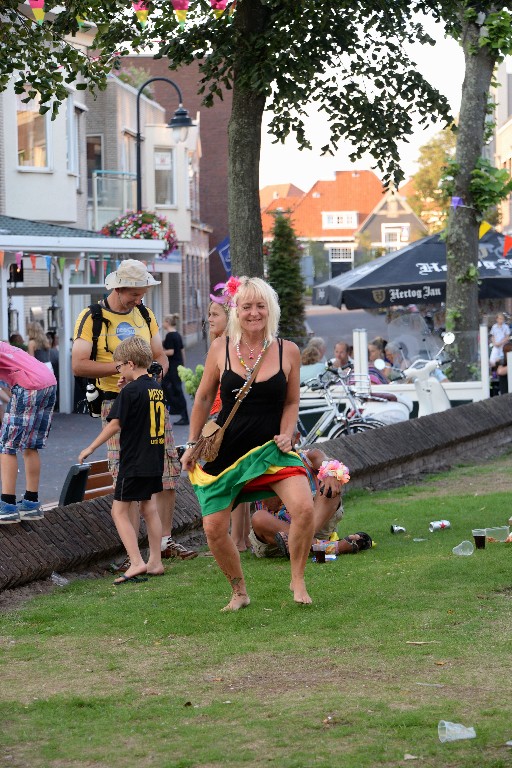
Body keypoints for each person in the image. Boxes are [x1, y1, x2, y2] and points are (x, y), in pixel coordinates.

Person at [181, 276, 316, 609]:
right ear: (235, 311)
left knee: (304, 508)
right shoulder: (220, 348)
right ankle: (239, 592)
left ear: (271, 310)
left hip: (272, 449)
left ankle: (297, 580)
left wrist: (287, 433)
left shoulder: (289, 351)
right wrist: (191, 443)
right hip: (226, 452)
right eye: (246, 307)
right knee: (213, 528)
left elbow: (291, 402)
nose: (254, 313)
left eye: (261, 306)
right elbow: (202, 399)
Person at [72, 259, 195, 564]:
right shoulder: (92, 317)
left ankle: (164, 542)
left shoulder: (144, 313)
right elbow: (78, 364)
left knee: (166, 470)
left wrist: (155, 373)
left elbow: (160, 357)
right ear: (119, 288)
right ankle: (134, 553)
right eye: (135, 294)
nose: (140, 299)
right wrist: (123, 368)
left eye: (143, 294)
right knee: (125, 475)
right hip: (115, 399)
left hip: (150, 399)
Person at [78, 337, 165, 584]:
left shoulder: (129, 391)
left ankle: (136, 562)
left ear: (129, 363)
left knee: (119, 511)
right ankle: (155, 562)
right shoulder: (155, 387)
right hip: (154, 458)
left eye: (119, 367)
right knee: (149, 507)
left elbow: (115, 423)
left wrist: (91, 447)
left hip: (134, 460)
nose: (119, 371)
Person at [207, 287, 251, 552]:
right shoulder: (240, 345)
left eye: (214, 314)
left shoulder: (221, 346)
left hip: (223, 417)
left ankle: (233, 538)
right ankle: (240, 538)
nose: (210, 320)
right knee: (240, 479)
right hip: (237, 416)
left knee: (226, 480)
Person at [0, 341, 57, 523]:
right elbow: (6, 388)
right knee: (30, 445)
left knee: (7, 446)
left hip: (28, 385)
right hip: (48, 382)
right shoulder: (5, 347)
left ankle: (7, 505)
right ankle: (31, 503)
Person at [162, 313, 189, 426]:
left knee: (173, 389)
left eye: (163, 321)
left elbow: (171, 351)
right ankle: (179, 412)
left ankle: (181, 414)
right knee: (174, 389)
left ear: (167, 323)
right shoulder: (177, 335)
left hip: (172, 366)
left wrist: (158, 353)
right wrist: (183, 364)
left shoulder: (170, 336)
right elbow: (182, 351)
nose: (162, 324)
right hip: (178, 366)